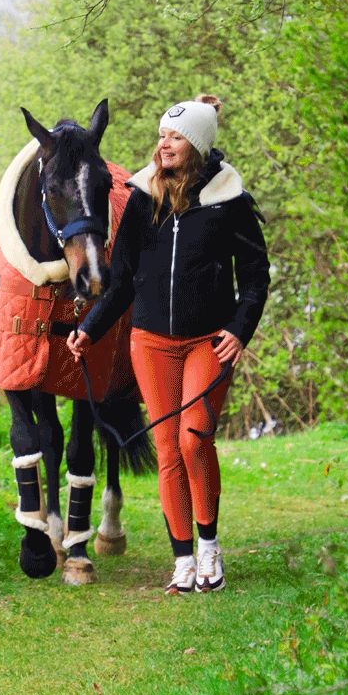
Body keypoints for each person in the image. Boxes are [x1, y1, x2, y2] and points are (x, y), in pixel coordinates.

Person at [67, 94, 270, 594]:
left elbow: (258, 276)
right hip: (152, 343)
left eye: (175, 137)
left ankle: (208, 547)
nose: (164, 144)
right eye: (162, 136)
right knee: (167, 449)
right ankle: (182, 560)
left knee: (193, 437)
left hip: (208, 341)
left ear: (197, 144)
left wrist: (239, 330)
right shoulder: (142, 198)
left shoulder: (229, 200)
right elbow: (120, 280)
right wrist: (90, 327)